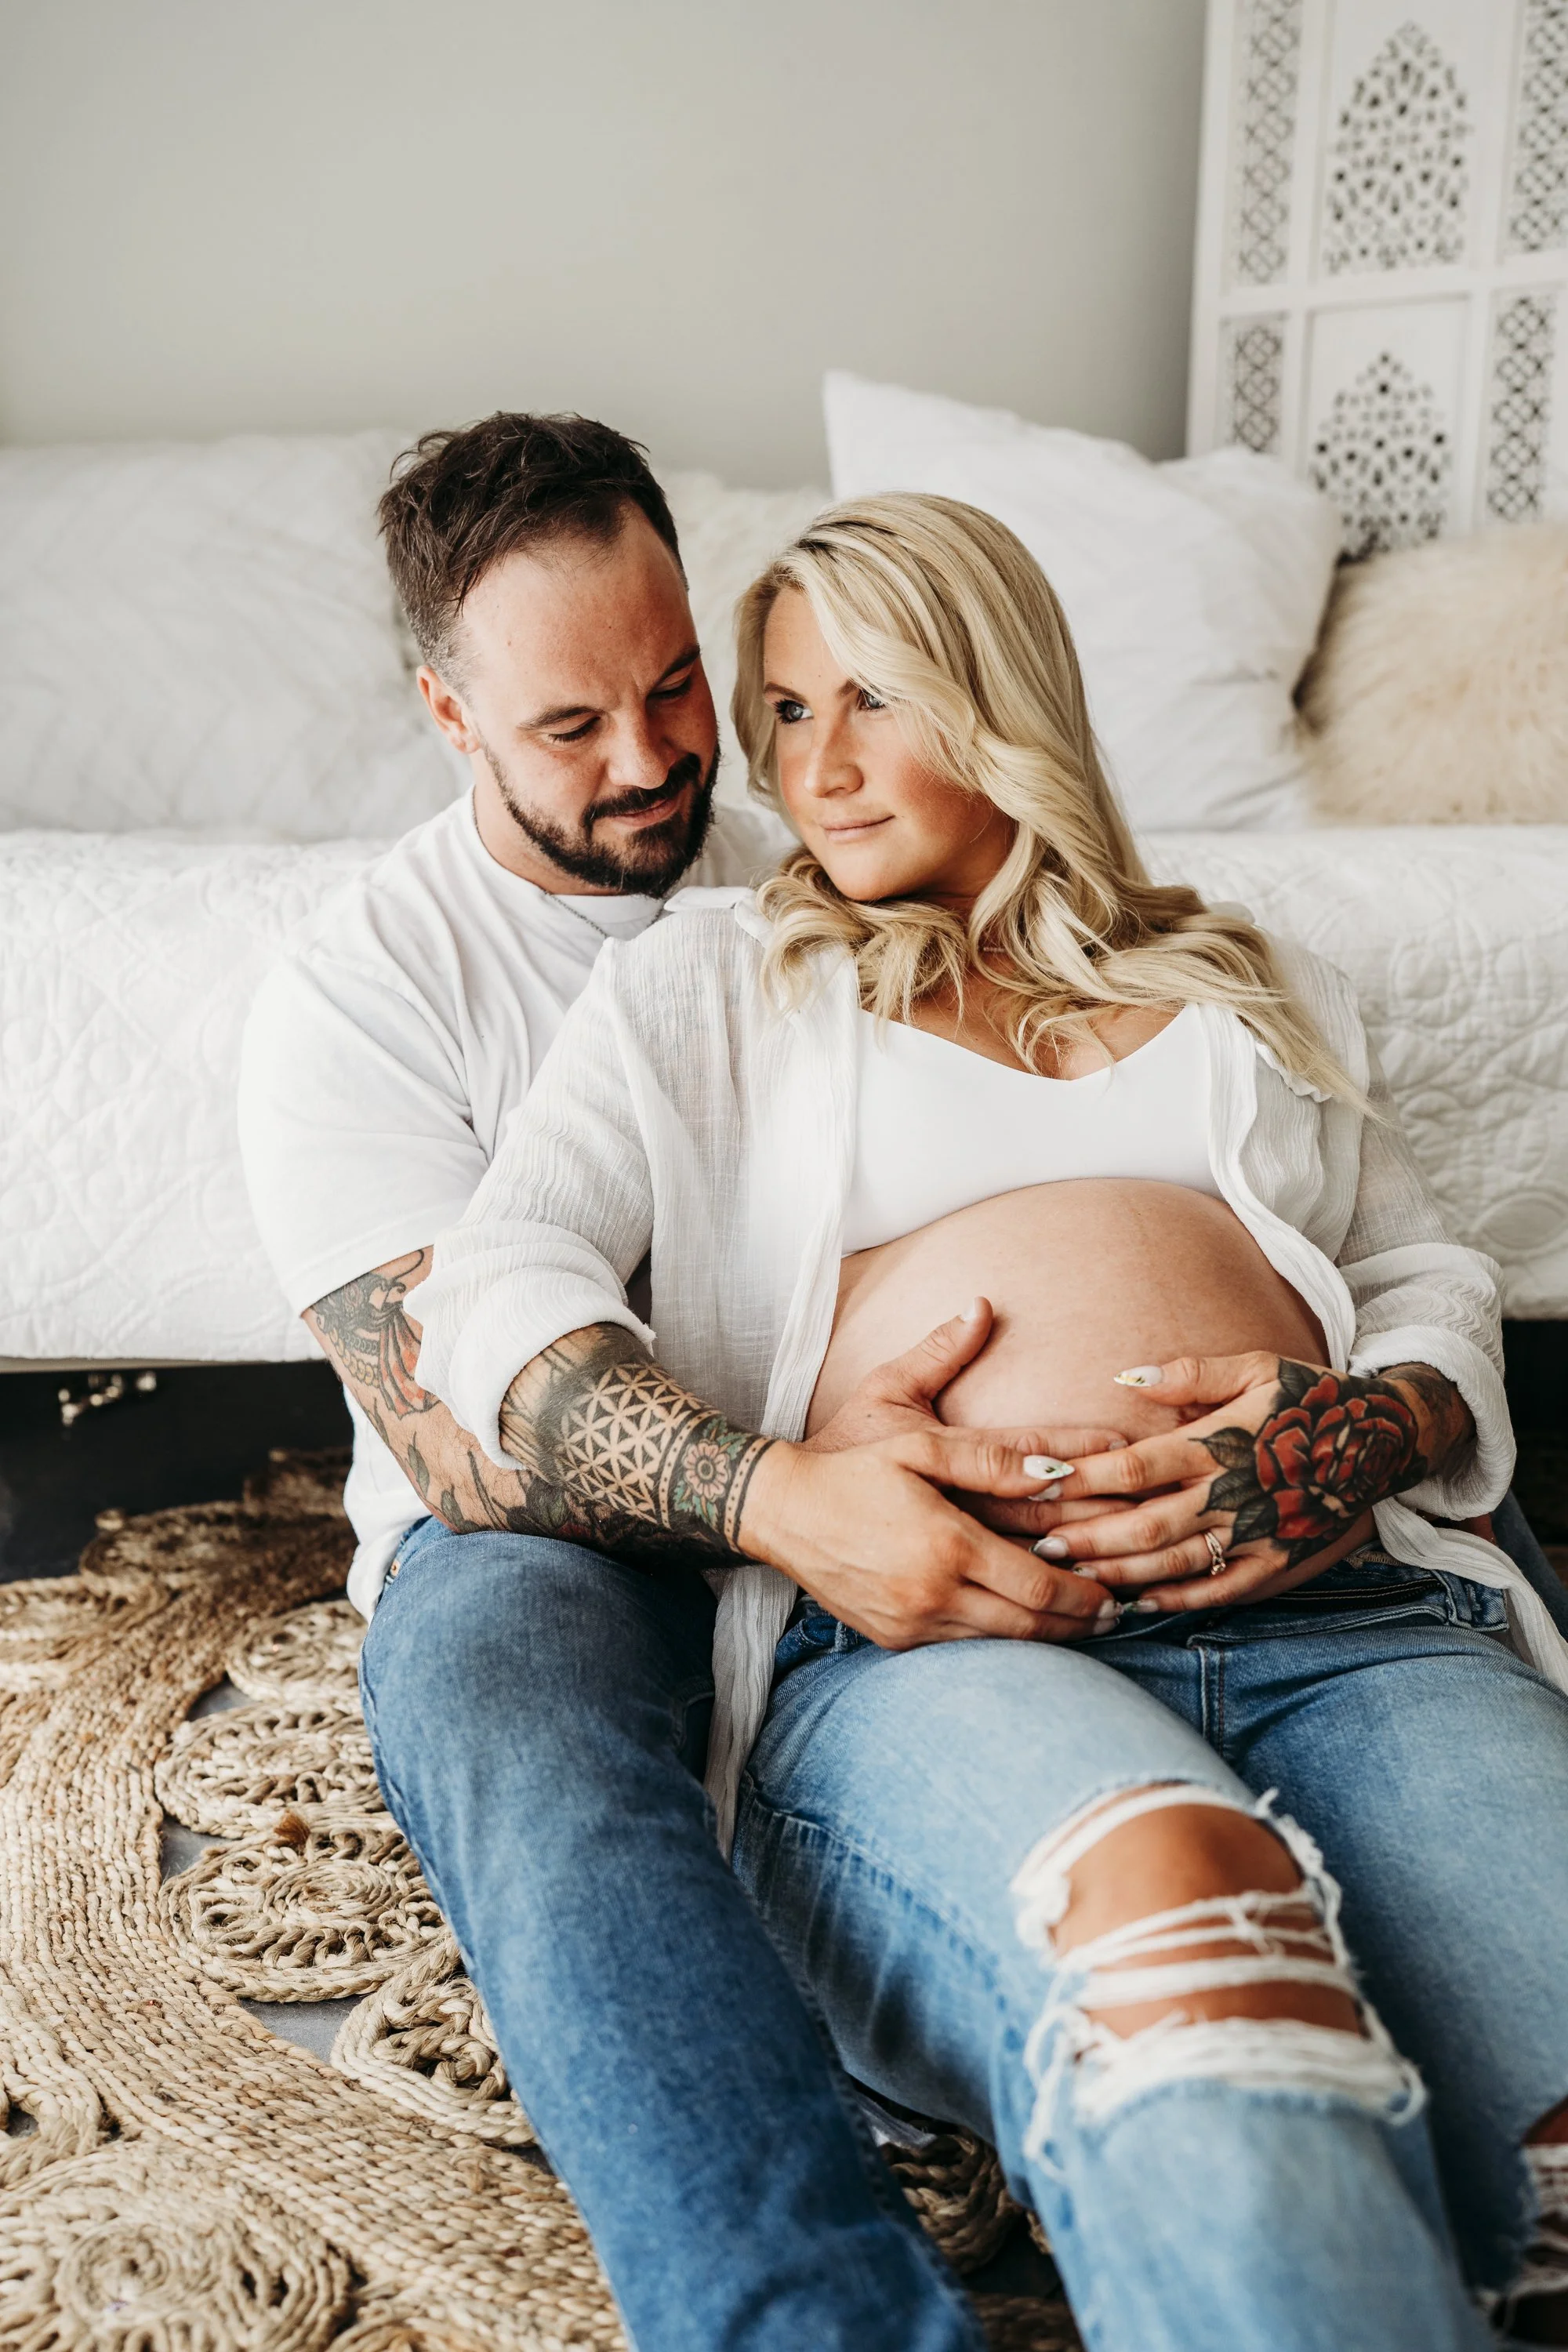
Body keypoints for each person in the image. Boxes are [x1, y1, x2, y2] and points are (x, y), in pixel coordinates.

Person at [414, 492, 1568, 2350]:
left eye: (876, 697)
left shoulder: (1241, 980)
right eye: (785, 713)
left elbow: (1427, 1272)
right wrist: (776, 1493)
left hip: (1350, 1625)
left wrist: (1356, 1429)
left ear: (1006, 693)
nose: (821, 766)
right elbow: (493, 1293)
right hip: (945, 1655)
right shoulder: (708, 986)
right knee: (1195, 1964)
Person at [240, 416, 1130, 2352]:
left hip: (894, 1458)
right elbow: (458, 1439)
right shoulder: (358, 995)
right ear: (448, 714)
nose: (655, 762)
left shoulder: (821, 847)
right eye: (572, 728)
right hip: (546, 1551)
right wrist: (782, 1490)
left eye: (673, 691)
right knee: (523, 1739)